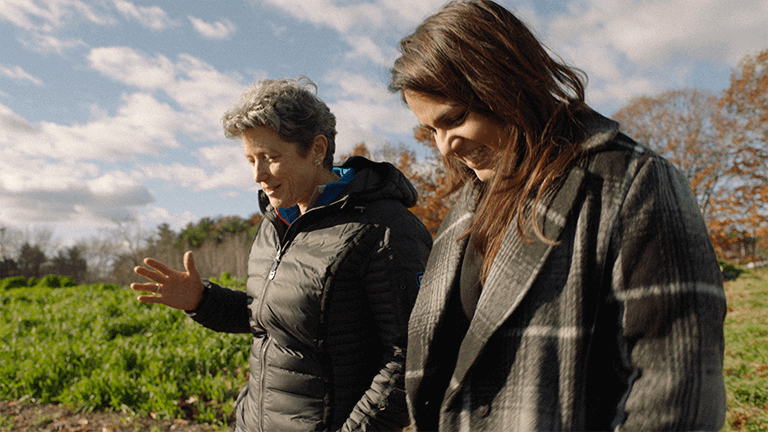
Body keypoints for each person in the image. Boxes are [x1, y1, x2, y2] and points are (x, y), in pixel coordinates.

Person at [388, 1, 727, 431]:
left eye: (454, 119)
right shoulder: (464, 211)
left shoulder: (631, 183)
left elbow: (680, 392)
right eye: (429, 131)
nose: (443, 147)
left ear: (505, 81)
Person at [131, 77, 432, 432]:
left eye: (271, 158)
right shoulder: (274, 226)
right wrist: (202, 300)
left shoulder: (385, 229)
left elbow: (411, 357)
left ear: (317, 149)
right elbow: (272, 319)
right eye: (250, 160)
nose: (258, 175)